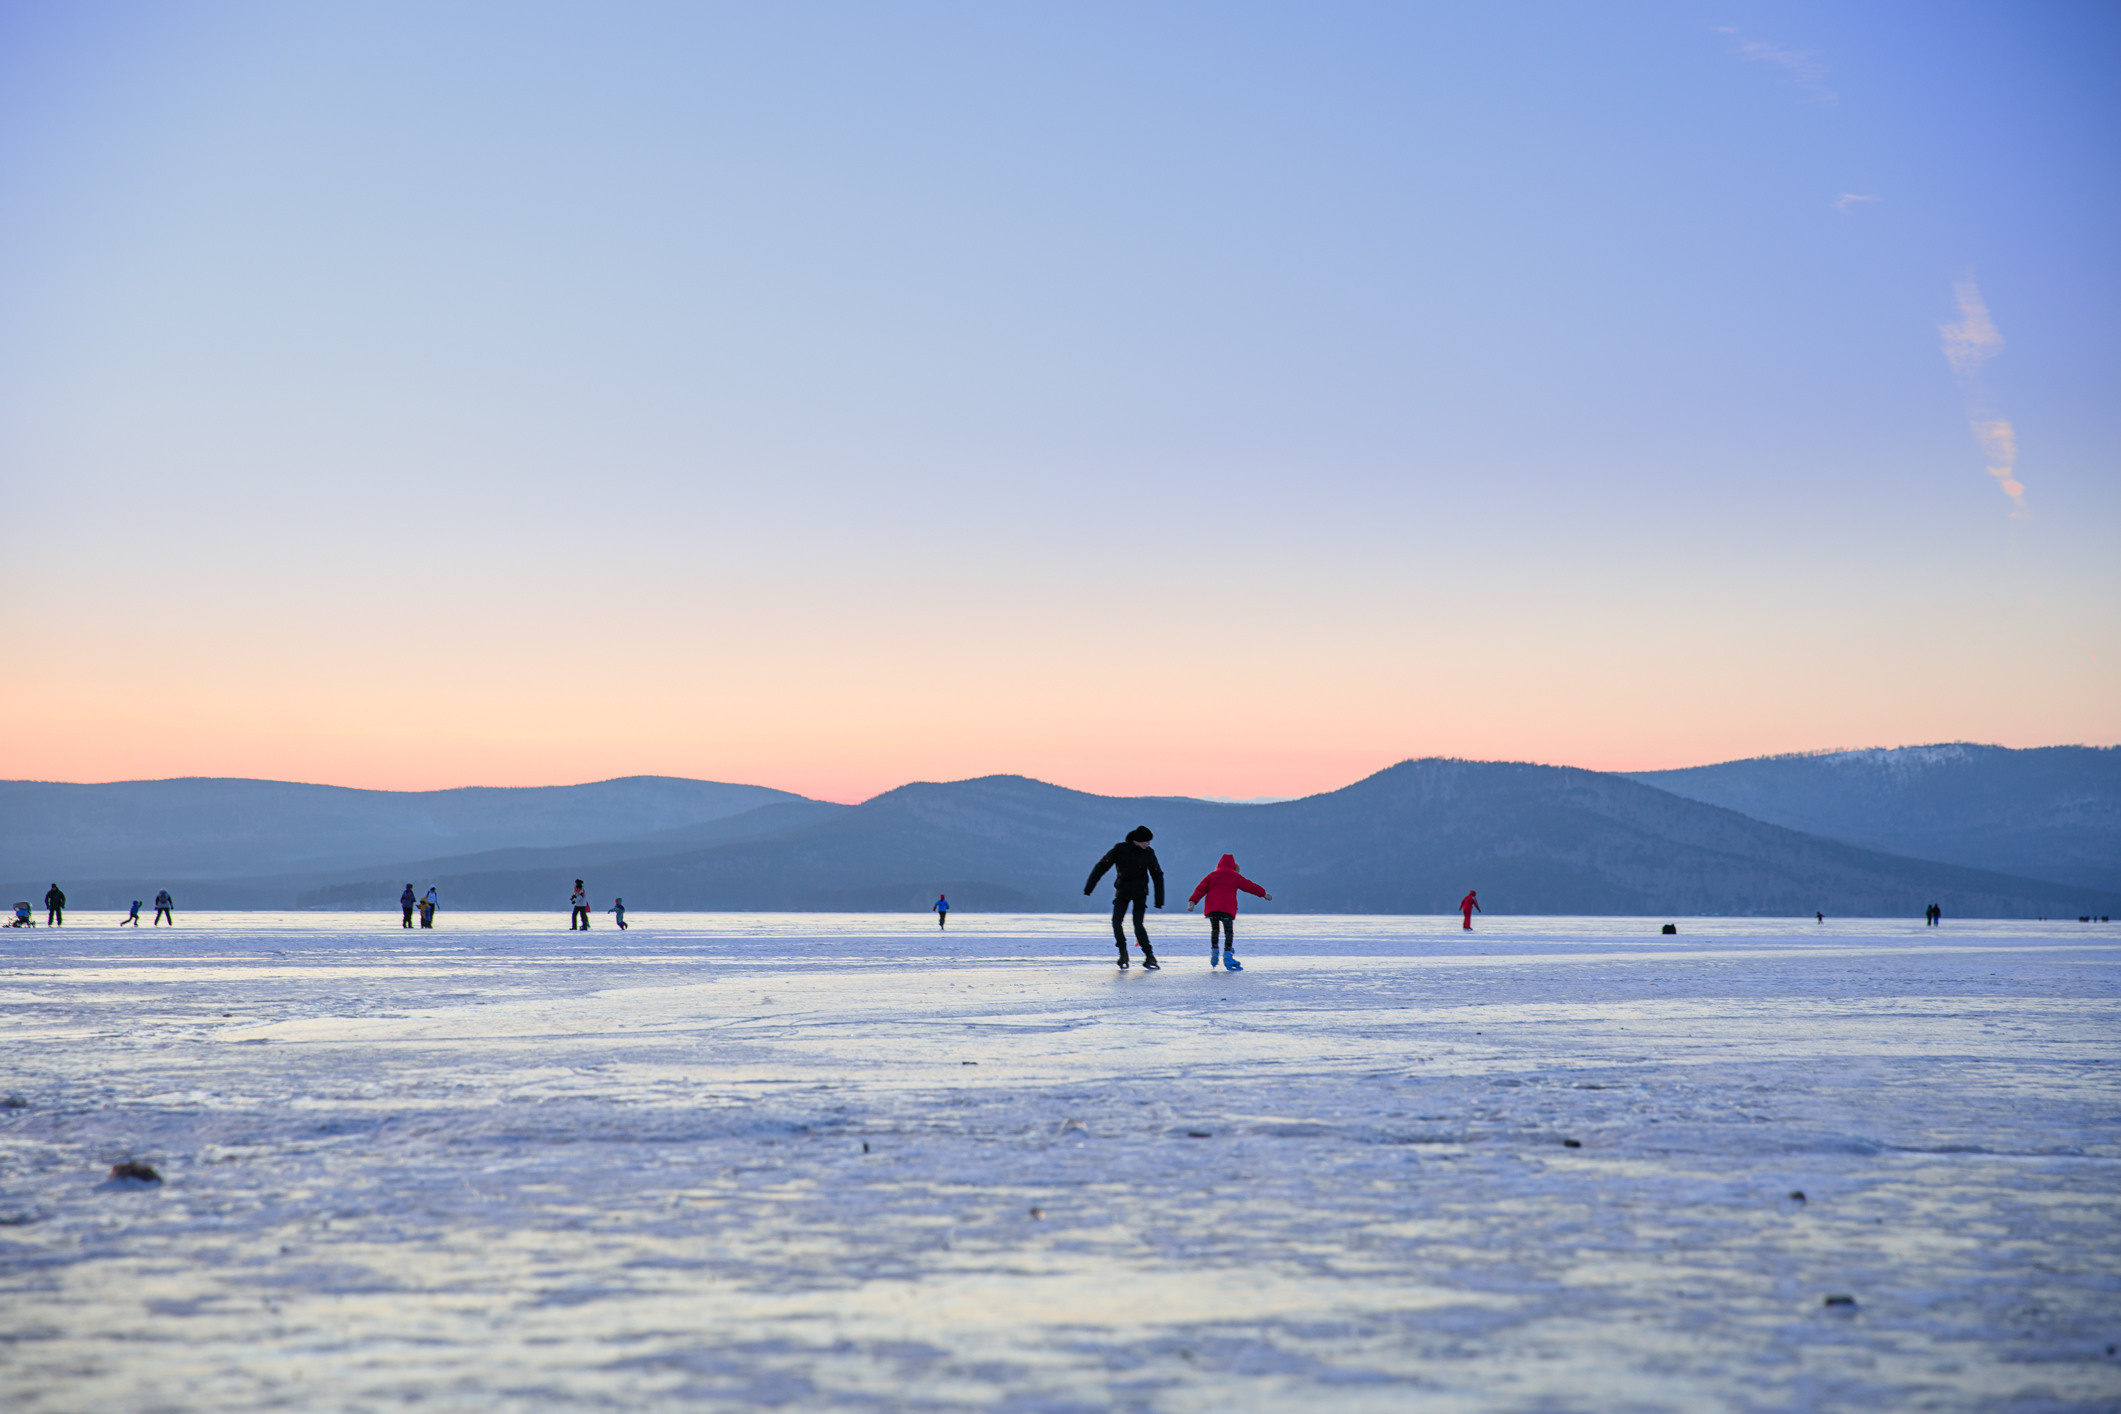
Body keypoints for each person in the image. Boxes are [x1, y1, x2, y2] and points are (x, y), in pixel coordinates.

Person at [1084, 826, 1165, 970]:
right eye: (1146, 841)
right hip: (1122, 892)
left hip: (1140, 893)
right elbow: (1101, 866)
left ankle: (1149, 955)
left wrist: (1159, 900)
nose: (1148, 844)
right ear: (1137, 840)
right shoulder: (1120, 849)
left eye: (1149, 841)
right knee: (1116, 922)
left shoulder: (1149, 853)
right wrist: (1089, 887)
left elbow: (1157, 875)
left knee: (1138, 925)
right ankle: (1123, 952)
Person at [1188, 853, 1270, 971]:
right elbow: (1249, 886)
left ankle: (1214, 951)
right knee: (1228, 932)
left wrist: (1192, 901)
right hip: (1227, 909)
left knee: (1215, 930)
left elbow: (1200, 888)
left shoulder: (1212, 875)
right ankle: (1227, 955)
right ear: (1234, 866)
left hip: (1213, 909)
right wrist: (1263, 894)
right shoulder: (1235, 876)